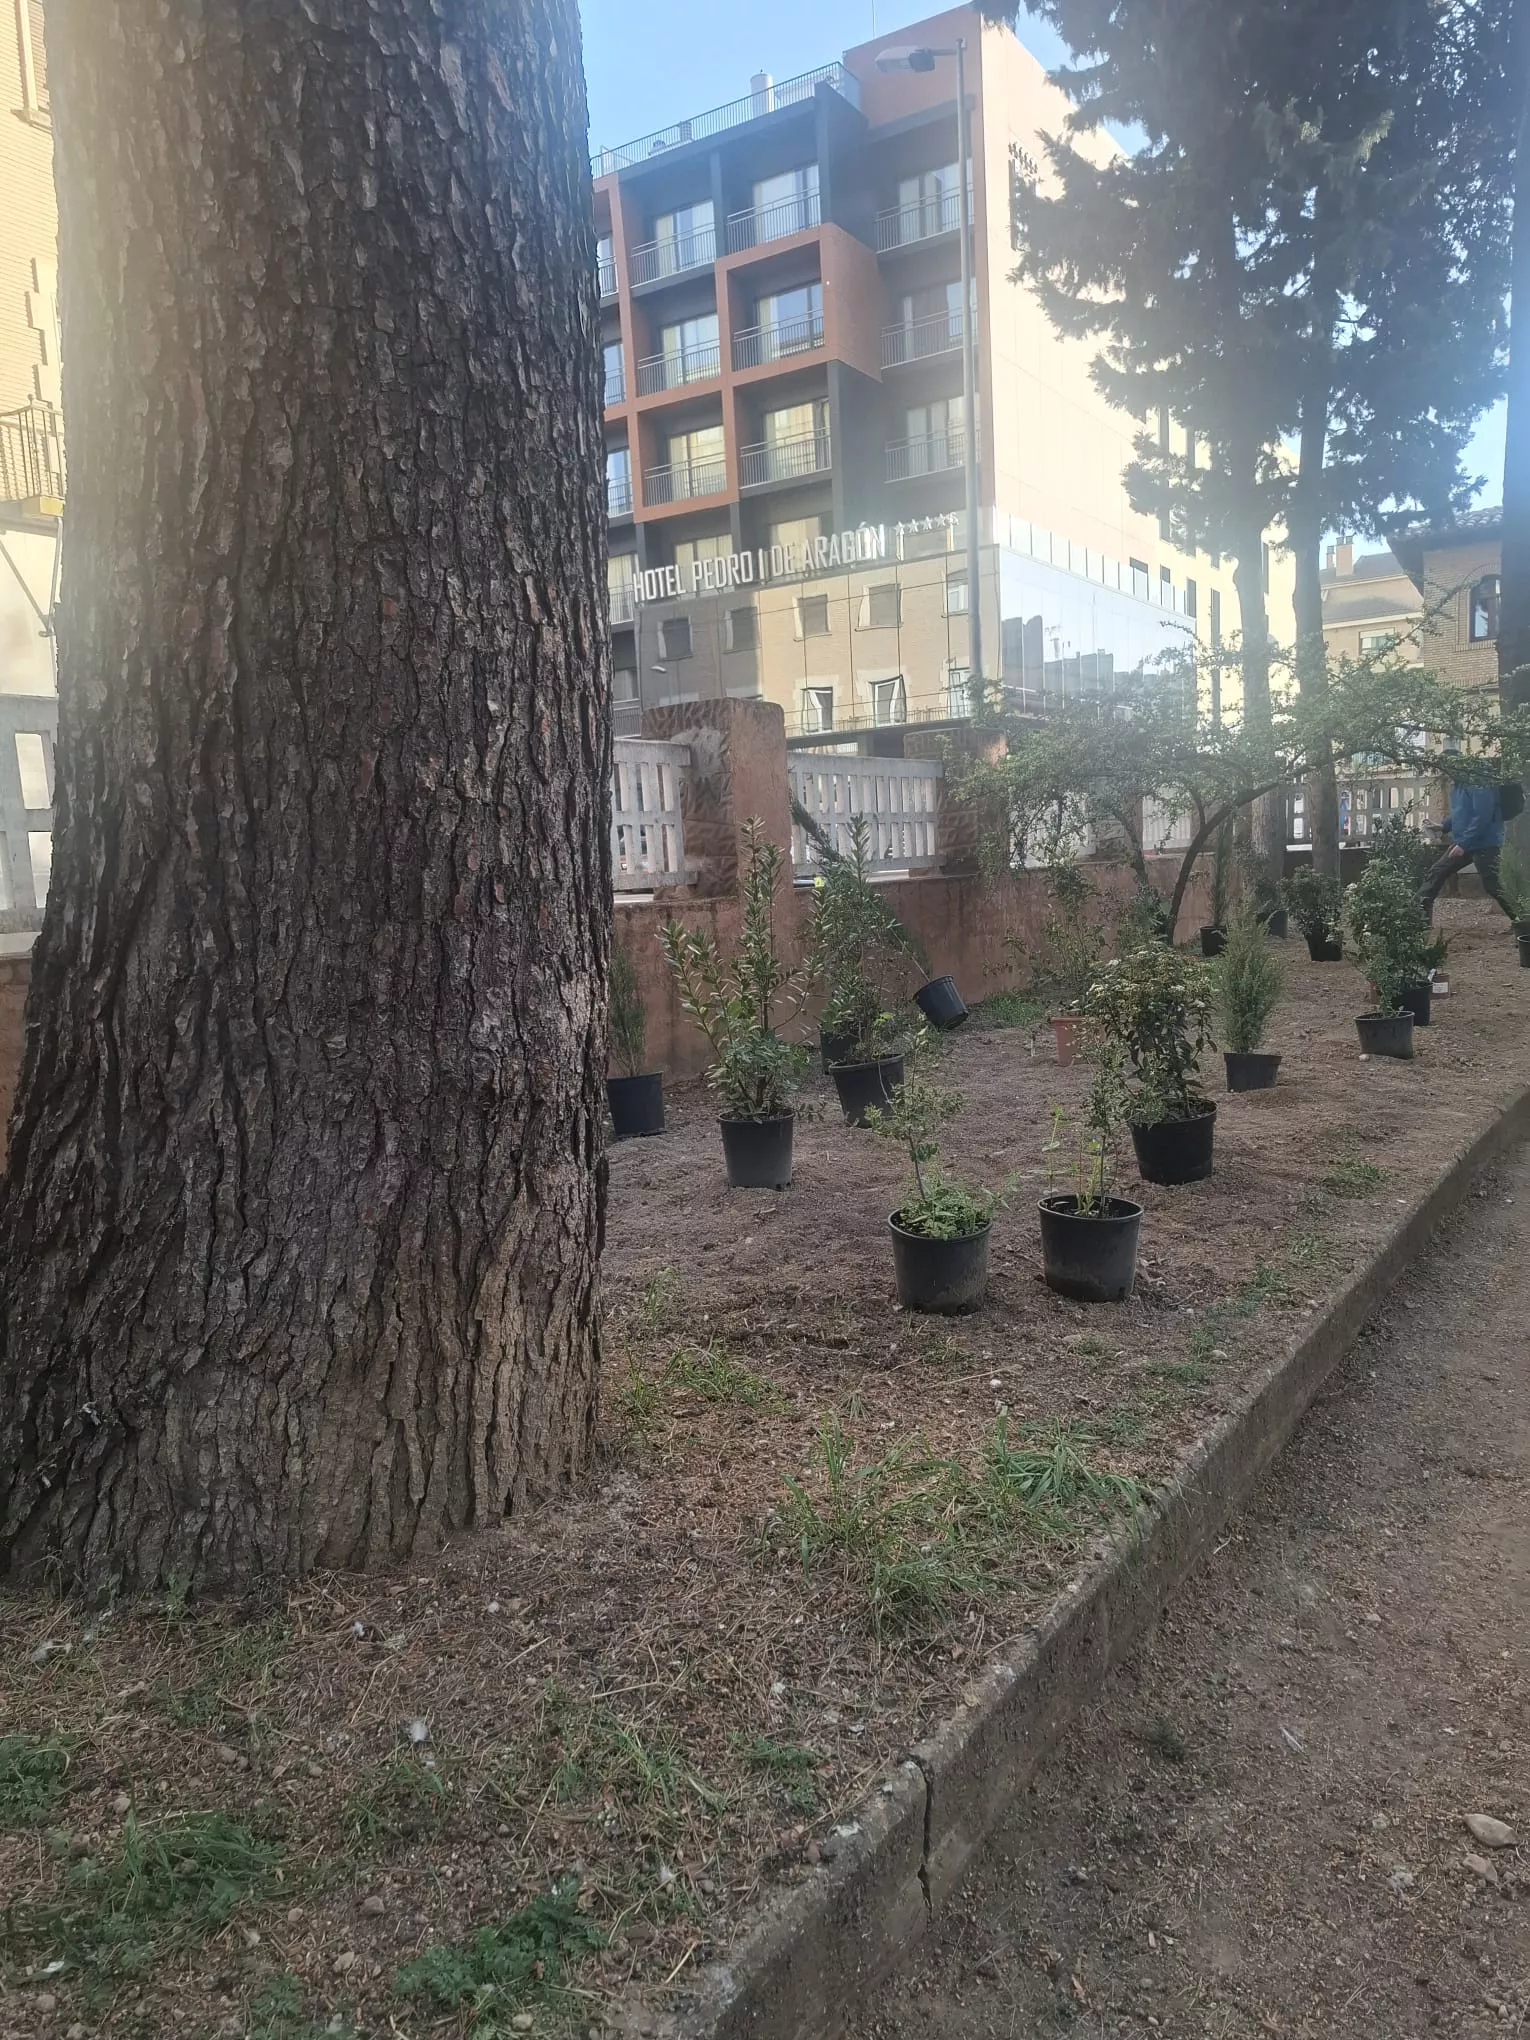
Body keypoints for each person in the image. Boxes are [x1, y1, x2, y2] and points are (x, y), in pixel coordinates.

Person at [1420, 780, 1512, 923]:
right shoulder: (1458, 785)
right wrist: (1443, 826)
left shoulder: (1479, 783)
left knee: (1494, 886)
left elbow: (1483, 816)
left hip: (1485, 843)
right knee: (1436, 872)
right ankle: (1418, 922)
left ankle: (1523, 921)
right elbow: (1462, 813)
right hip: (1465, 842)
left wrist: (1463, 844)